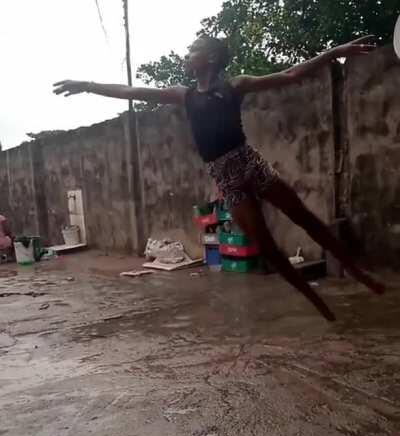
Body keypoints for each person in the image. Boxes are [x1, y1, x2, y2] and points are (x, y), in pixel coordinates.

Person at [53, 35, 385, 321]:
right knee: (266, 247)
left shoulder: (235, 86)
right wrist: (87, 86)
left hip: (250, 163)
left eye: (192, 49)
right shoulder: (184, 94)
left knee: (304, 217)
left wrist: (334, 51)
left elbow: (290, 73)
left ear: (209, 58)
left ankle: (356, 271)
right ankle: (316, 301)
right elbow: (131, 90)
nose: (187, 54)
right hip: (226, 179)